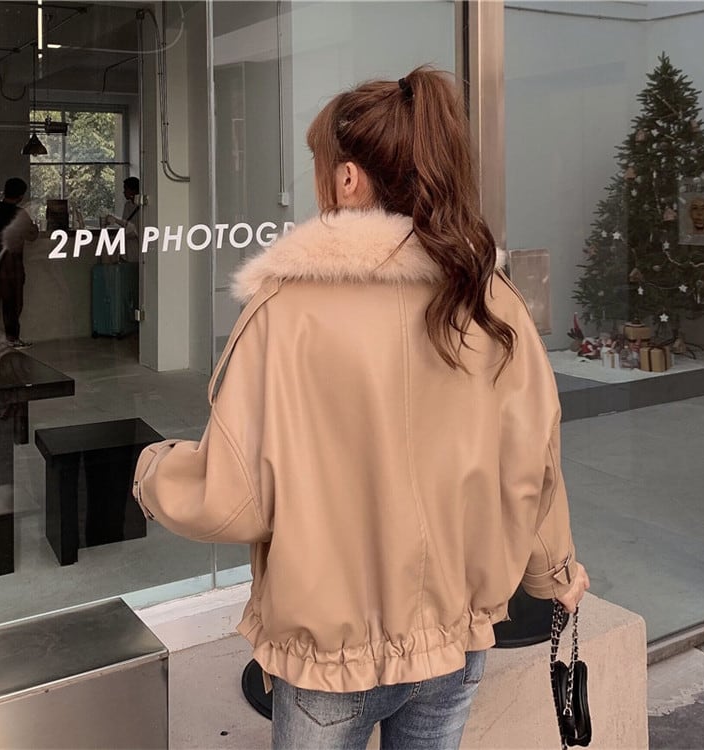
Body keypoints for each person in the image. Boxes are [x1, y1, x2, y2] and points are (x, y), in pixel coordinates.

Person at [132, 66, 589, 750]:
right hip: (456, 639)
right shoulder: (489, 300)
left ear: (348, 179)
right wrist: (554, 574)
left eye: (321, 166)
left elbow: (234, 497)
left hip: (332, 661)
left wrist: (152, 471)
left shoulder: (288, 310)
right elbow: (532, 464)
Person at [0, 178, 39, 348]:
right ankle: (12, 339)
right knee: (12, 304)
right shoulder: (19, 214)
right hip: (12, 265)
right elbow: (32, 236)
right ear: (21, 196)